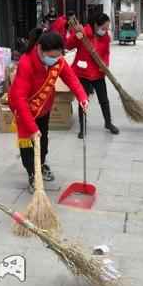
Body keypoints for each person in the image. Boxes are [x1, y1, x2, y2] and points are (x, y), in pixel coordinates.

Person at [9, 29, 88, 192]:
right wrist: (31, 128)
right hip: (24, 110)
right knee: (28, 145)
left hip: (43, 108)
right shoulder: (26, 63)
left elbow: (71, 77)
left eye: (58, 56)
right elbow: (20, 99)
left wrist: (82, 97)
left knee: (43, 141)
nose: (55, 60)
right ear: (40, 49)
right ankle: (32, 174)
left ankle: (42, 164)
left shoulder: (57, 60)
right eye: (51, 57)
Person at [67, 13, 120, 138]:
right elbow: (68, 45)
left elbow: (106, 52)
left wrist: (105, 64)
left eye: (107, 28)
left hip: (98, 73)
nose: (105, 31)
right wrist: (76, 35)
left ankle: (108, 123)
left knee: (104, 100)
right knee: (83, 100)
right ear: (96, 25)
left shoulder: (105, 37)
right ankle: (82, 128)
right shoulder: (83, 32)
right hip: (83, 73)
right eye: (104, 28)